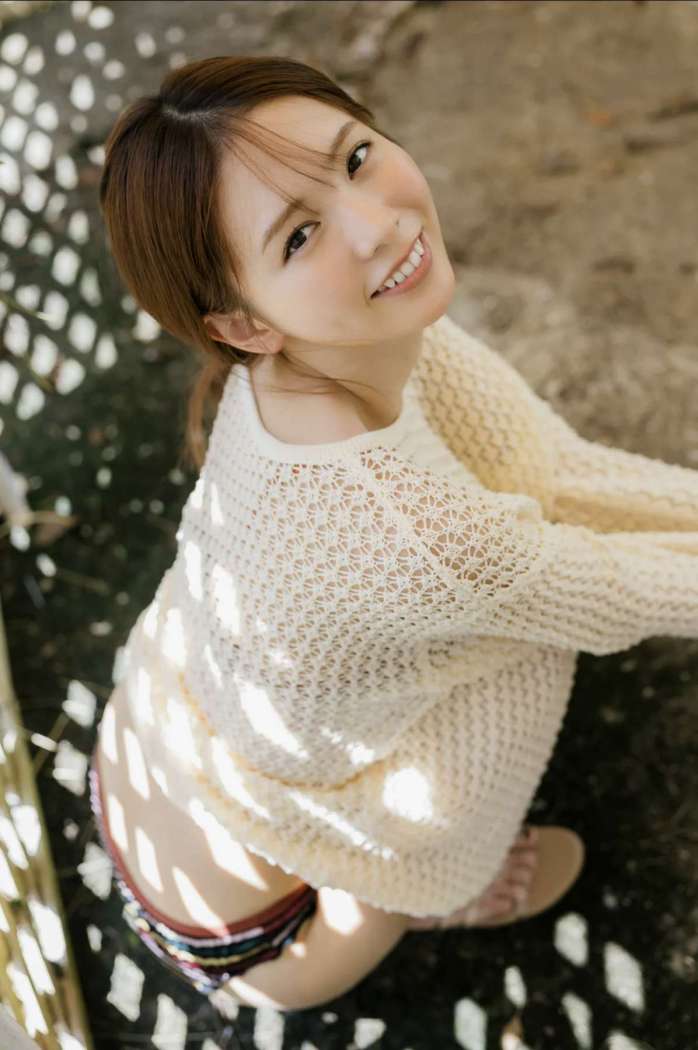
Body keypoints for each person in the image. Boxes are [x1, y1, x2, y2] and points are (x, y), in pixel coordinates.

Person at [90, 54, 698, 1013]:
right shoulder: (407, 532)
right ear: (242, 325)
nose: (379, 226)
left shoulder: (328, 346)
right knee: (521, 653)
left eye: (356, 158)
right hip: (251, 931)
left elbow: (551, 471)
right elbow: (607, 586)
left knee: (503, 594)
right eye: (300, 236)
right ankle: (421, 897)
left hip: (168, 731)